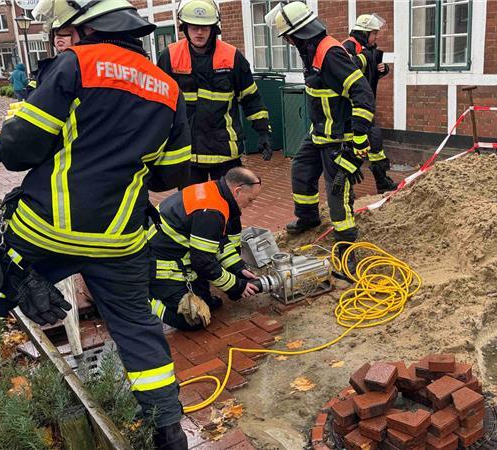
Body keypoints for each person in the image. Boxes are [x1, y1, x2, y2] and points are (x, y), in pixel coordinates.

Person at [0, 0, 191, 447]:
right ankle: (169, 431)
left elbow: (18, 150)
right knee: (138, 328)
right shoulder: (167, 87)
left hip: (44, 232)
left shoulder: (74, 64)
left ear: (86, 30)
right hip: (120, 239)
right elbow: (173, 174)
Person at [265, 2, 375, 271]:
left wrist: (359, 137)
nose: (288, 43)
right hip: (319, 134)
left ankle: (346, 248)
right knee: (301, 169)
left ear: (297, 34)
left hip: (340, 138)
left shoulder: (329, 54)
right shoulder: (311, 51)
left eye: (288, 38)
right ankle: (308, 218)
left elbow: (362, 93)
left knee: (337, 192)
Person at [158, 0, 272, 185]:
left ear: (213, 29)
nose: (199, 32)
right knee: (193, 209)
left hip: (224, 151)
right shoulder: (169, 57)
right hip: (188, 152)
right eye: (194, 27)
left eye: (205, 27)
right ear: (185, 28)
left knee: (229, 208)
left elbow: (251, 98)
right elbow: (159, 104)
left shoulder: (232, 57)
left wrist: (263, 132)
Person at [148, 167, 261, 331]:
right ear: (238, 191)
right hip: (160, 268)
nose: (250, 205)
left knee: (206, 303)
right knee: (195, 319)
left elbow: (218, 241)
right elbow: (203, 262)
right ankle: (146, 300)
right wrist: (236, 286)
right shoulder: (212, 211)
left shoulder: (215, 193)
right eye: (250, 200)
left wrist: (238, 268)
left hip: (176, 257)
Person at [342, 13, 397, 194]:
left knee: (375, 144)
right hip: (350, 110)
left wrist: (382, 69)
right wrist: (366, 59)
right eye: (374, 33)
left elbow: (368, 75)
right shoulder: (347, 48)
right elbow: (347, 72)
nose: (376, 37)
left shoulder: (367, 48)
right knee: (350, 149)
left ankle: (382, 181)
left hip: (366, 108)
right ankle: (345, 187)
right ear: (364, 33)